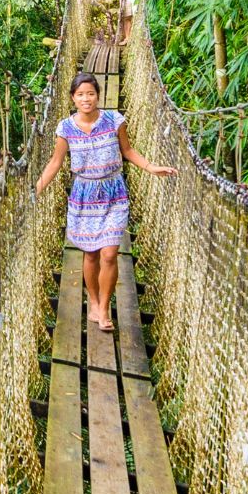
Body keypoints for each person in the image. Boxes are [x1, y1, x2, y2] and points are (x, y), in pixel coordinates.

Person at [36, 71, 176, 331]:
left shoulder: (114, 120)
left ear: (98, 96)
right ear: (73, 98)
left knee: (110, 253)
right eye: (80, 95)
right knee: (90, 255)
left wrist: (151, 167)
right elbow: (55, 163)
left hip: (113, 192)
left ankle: (103, 309)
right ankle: (93, 297)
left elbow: (128, 151)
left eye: (90, 93)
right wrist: (35, 190)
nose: (86, 99)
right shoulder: (65, 128)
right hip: (84, 196)